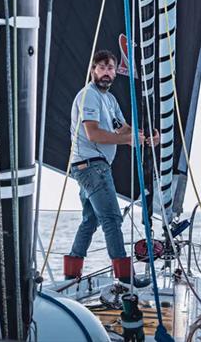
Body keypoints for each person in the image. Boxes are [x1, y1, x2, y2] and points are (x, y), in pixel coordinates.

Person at [63, 50, 158, 287]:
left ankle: (71, 274)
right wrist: (128, 141)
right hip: (91, 166)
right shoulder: (89, 96)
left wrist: (146, 137)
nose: (107, 73)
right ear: (93, 70)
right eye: (102, 68)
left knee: (90, 220)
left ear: (116, 72)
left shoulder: (110, 99)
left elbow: (123, 129)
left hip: (92, 166)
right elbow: (93, 133)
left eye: (111, 68)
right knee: (112, 218)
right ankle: (126, 278)